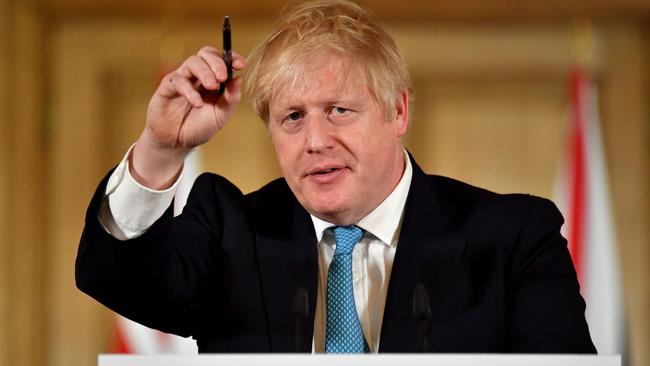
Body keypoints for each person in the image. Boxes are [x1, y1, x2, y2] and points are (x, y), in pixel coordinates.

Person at [75, 0, 596, 353]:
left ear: (398, 112)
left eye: (339, 110)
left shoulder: (512, 237)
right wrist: (162, 149)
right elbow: (119, 280)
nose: (316, 140)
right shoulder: (231, 229)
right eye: (293, 117)